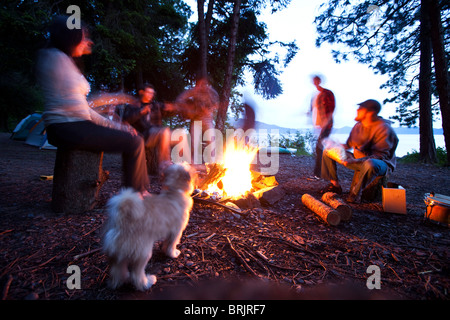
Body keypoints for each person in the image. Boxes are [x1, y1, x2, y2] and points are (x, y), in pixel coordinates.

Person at [36, 16, 149, 194]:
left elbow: (84, 110)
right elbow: (83, 110)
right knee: (133, 142)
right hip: (66, 127)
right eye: (82, 37)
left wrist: (118, 125)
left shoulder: (62, 60)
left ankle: (139, 192)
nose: (87, 41)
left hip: (73, 125)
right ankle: (135, 197)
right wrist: (115, 102)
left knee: (135, 139)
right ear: (69, 38)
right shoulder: (53, 59)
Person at [320, 99, 398, 203]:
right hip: (358, 160)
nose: (357, 110)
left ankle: (355, 195)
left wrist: (355, 161)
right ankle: (335, 186)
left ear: (371, 113)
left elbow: (380, 156)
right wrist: (335, 145)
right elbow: (348, 145)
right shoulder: (358, 126)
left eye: (361, 109)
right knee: (327, 151)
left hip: (380, 165)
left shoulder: (384, 129)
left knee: (370, 164)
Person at [118, 84, 173, 170]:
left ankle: (185, 164)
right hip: (144, 136)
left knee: (181, 135)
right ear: (141, 92)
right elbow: (125, 120)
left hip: (157, 134)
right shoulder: (133, 106)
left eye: (152, 93)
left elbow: (167, 109)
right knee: (164, 132)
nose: (150, 95)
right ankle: (165, 165)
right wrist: (140, 112)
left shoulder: (155, 105)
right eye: (148, 92)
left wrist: (172, 108)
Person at [176, 77, 219, 164]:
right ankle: (193, 164)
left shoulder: (212, 93)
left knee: (211, 140)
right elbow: (180, 99)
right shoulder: (194, 91)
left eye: (204, 84)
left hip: (207, 119)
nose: (201, 86)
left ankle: (213, 163)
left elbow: (216, 104)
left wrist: (209, 110)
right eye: (200, 84)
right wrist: (188, 108)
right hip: (196, 119)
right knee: (194, 143)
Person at [309, 75, 335, 178]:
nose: (315, 82)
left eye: (316, 80)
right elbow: (313, 109)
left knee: (319, 148)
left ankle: (318, 174)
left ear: (319, 81)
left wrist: (326, 123)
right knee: (320, 148)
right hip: (319, 126)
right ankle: (322, 173)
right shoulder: (316, 95)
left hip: (326, 125)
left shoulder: (327, 93)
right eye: (313, 81)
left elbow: (331, 109)